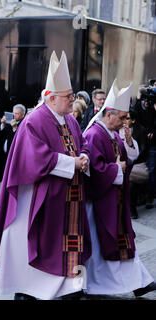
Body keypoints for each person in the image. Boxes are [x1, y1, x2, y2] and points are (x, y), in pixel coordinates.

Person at [0, 51, 91, 300]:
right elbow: (35, 157)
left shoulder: (71, 121)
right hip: (36, 196)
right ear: (51, 97)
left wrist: (84, 156)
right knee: (36, 241)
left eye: (72, 96)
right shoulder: (35, 120)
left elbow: (81, 144)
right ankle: (29, 289)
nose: (72, 100)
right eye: (68, 96)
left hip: (66, 195)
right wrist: (72, 163)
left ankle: (67, 287)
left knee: (62, 241)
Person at [83, 79, 156, 298]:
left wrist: (129, 141)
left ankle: (139, 281)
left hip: (114, 200)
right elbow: (93, 169)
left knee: (123, 241)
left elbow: (129, 158)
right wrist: (117, 169)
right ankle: (98, 285)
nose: (126, 120)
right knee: (101, 246)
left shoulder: (113, 134)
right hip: (100, 203)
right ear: (109, 114)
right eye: (123, 116)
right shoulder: (93, 134)